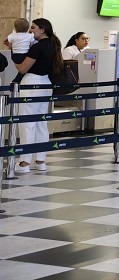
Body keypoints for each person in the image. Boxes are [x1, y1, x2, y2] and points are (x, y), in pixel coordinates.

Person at [12, 18, 64, 174]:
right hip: (46, 84)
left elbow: (22, 69)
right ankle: (40, 160)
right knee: (41, 122)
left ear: (42, 30)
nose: (30, 30)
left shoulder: (38, 47)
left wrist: (15, 54)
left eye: (33, 28)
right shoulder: (54, 46)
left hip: (31, 83)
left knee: (27, 122)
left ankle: (24, 162)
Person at [5, 17, 33, 84]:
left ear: (15, 28)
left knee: (22, 70)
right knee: (24, 70)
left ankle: (16, 81)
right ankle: (16, 81)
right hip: (25, 56)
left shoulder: (11, 36)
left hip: (15, 56)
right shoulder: (30, 36)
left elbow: (10, 46)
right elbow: (31, 46)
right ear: (27, 29)